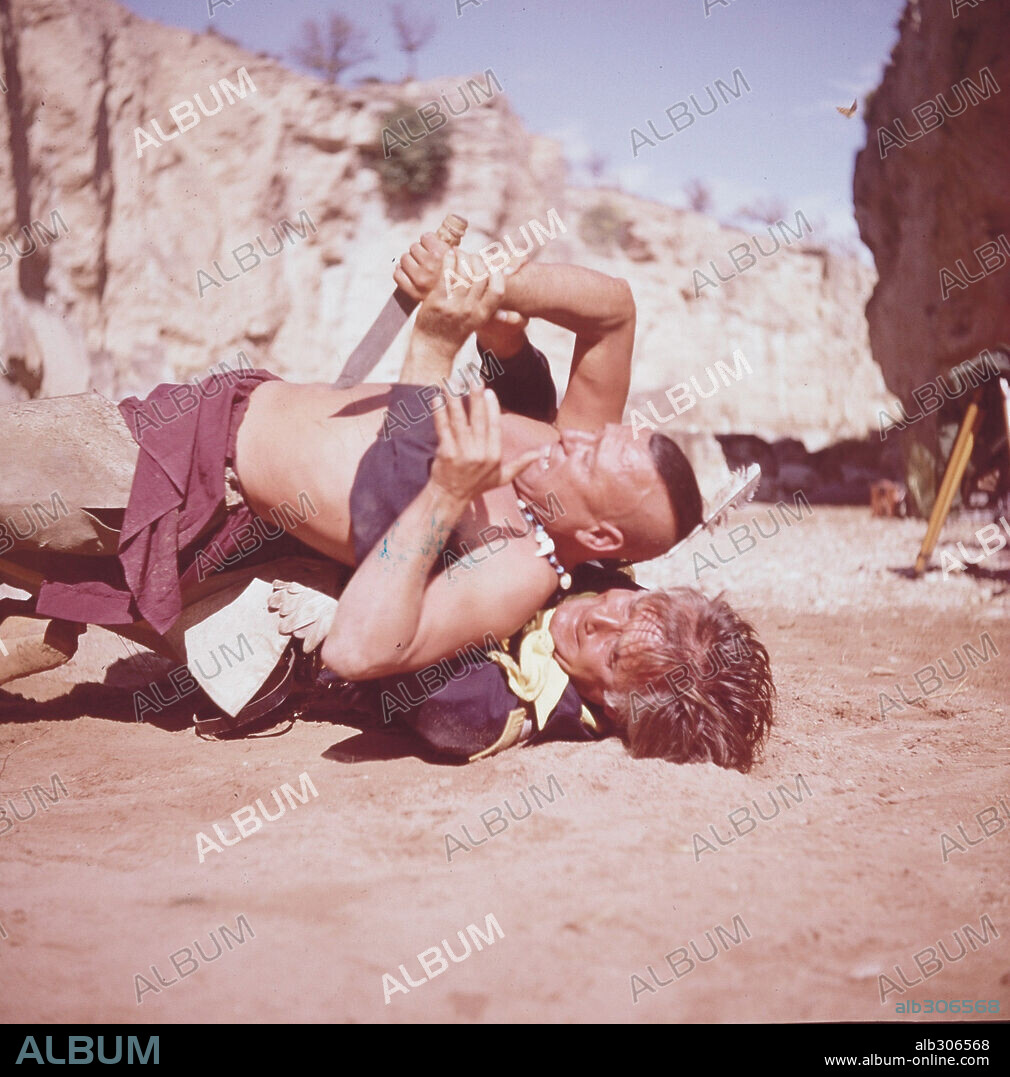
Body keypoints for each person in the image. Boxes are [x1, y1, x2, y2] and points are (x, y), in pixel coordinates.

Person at [1, 234, 704, 692]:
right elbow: (615, 309)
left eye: (595, 455)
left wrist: (433, 352)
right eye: (599, 433)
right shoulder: (567, 443)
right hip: (205, 415)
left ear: (605, 536)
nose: (577, 436)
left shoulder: (517, 566)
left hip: (183, 485)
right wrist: (490, 288)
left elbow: (363, 649)